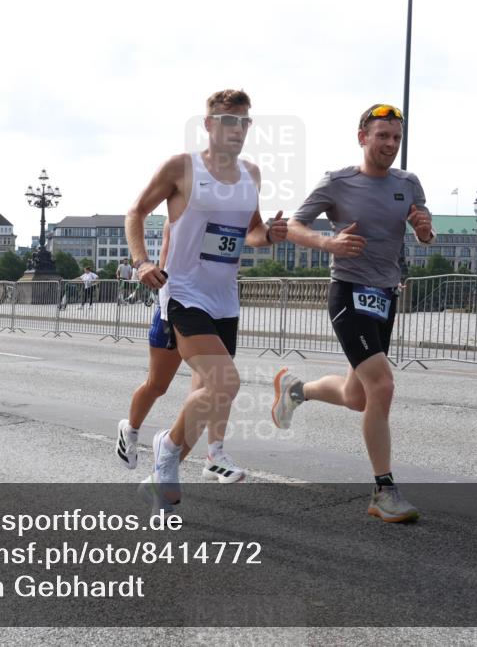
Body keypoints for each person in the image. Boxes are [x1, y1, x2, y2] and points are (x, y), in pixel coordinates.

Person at [271, 103, 434, 523]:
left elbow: (425, 230)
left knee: (357, 397)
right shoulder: (339, 182)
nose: (390, 145)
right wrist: (329, 243)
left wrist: (423, 229)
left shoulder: (408, 183)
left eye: (396, 138)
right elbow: (293, 225)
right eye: (382, 136)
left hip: (385, 296)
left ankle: (295, 391)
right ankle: (384, 490)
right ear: (363, 137)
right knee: (382, 385)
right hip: (348, 293)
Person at [125, 88, 287, 507]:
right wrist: (142, 263)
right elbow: (136, 211)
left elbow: (250, 230)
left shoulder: (251, 174)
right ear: (209, 124)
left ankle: (167, 468)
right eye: (228, 121)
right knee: (224, 382)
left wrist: (269, 235)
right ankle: (164, 447)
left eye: (244, 122)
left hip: (224, 299)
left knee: (212, 393)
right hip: (183, 292)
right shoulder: (181, 167)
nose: (237, 130)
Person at [116, 221, 244, 481]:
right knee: (157, 385)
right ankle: (129, 430)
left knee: (217, 383)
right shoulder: (184, 216)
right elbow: (167, 262)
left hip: (214, 311)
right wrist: (145, 266)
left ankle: (214, 453)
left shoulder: (230, 211)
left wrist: (265, 233)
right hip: (176, 311)